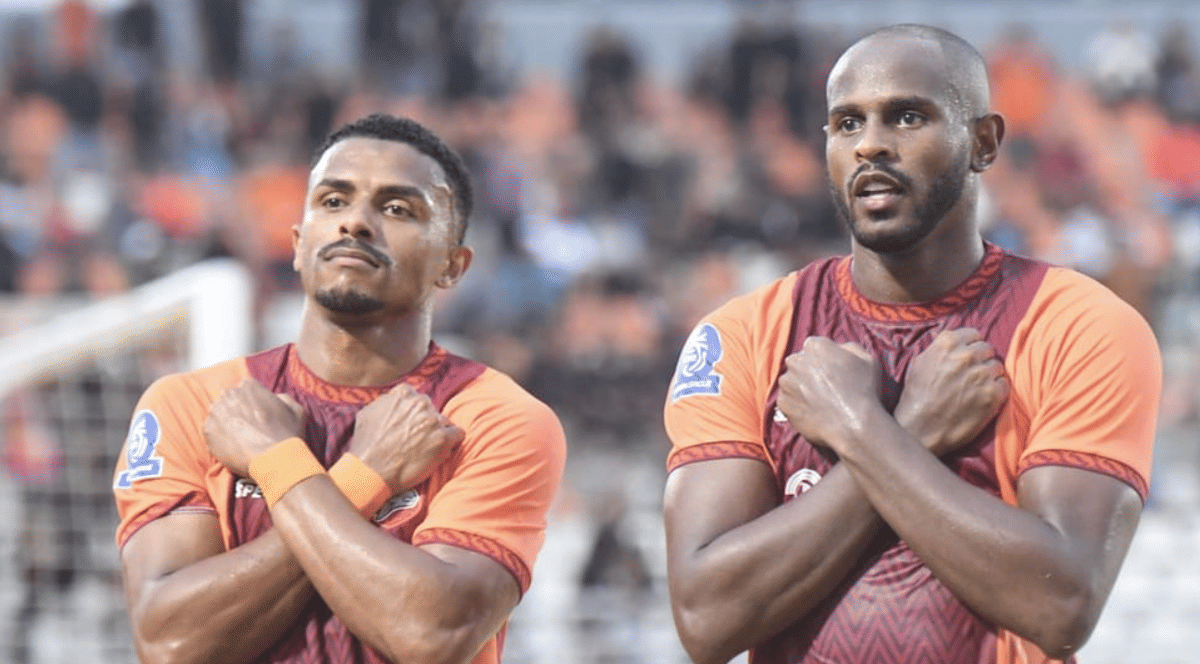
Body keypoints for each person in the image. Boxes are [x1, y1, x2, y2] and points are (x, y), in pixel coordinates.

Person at [662, 24, 1160, 664]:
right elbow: (706, 619)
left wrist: (860, 428)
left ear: (983, 143)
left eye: (906, 117)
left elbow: (1060, 605)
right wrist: (916, 428)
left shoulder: (1079, 326)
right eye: (846, 124)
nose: (871, 143)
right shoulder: (744, 335)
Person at [112, 113, 567, 664]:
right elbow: (169, 642)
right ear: (301, 244)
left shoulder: (493, 418)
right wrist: (364, 477)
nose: (355, 223)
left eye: (397, 208)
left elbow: (433, 634)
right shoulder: (193, 405)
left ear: (453, 264)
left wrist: (276, 462)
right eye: (333, 201)